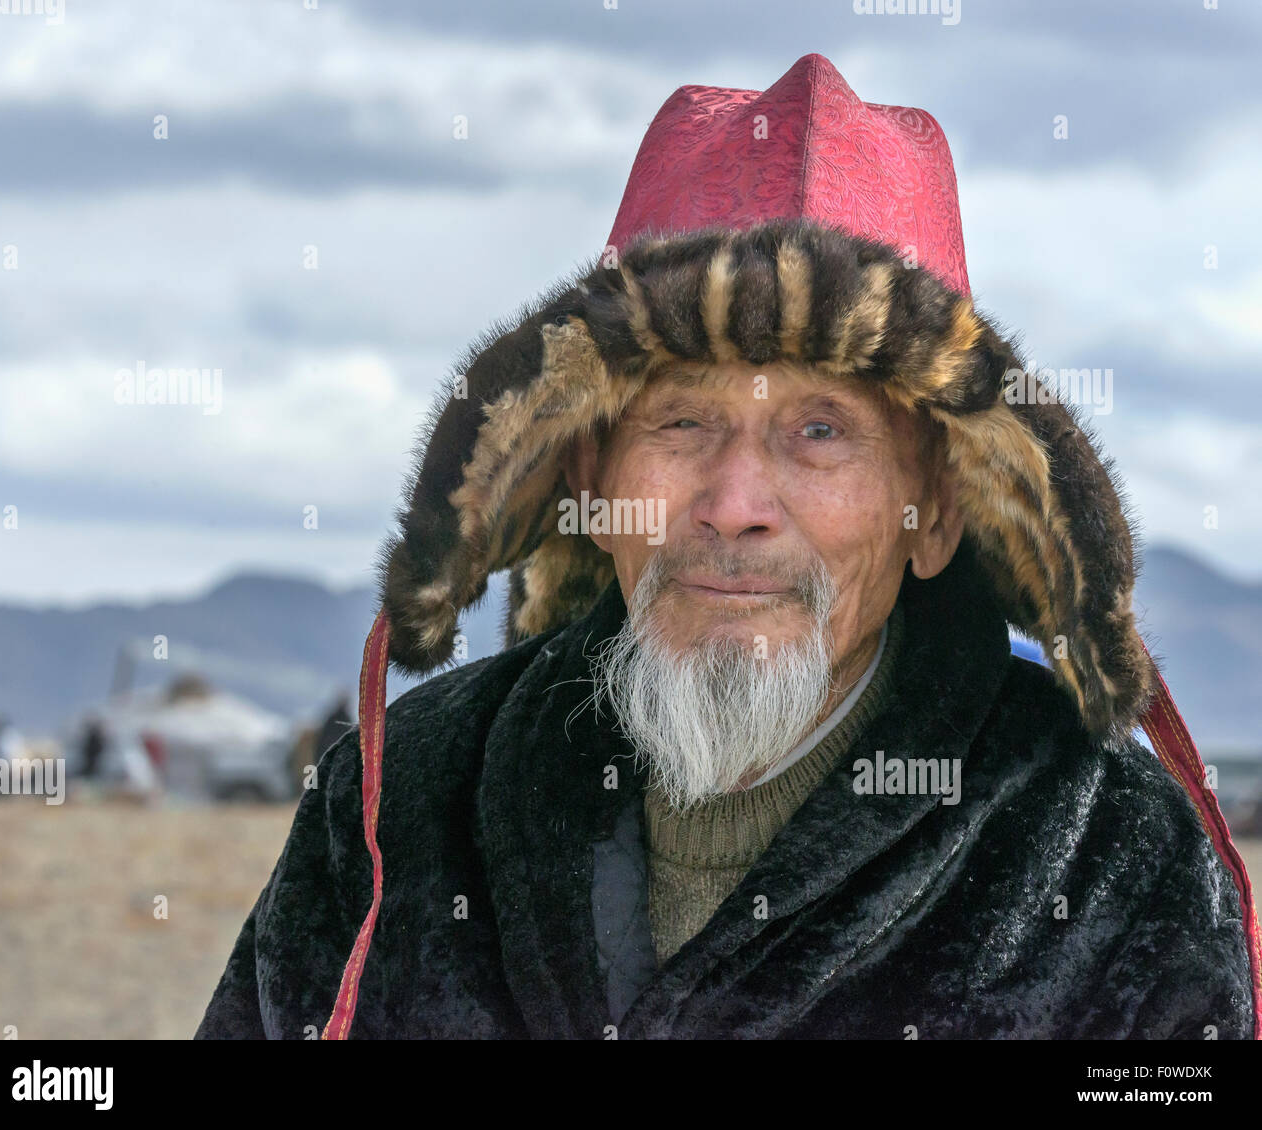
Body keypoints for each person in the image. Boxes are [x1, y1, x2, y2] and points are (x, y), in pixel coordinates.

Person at [196, 54, 1259, 1040]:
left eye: (820, 430)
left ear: (935, 509)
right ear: (585, 474)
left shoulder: (1109, 856)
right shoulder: (401, 804)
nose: (735, 502)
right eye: (680, 421)